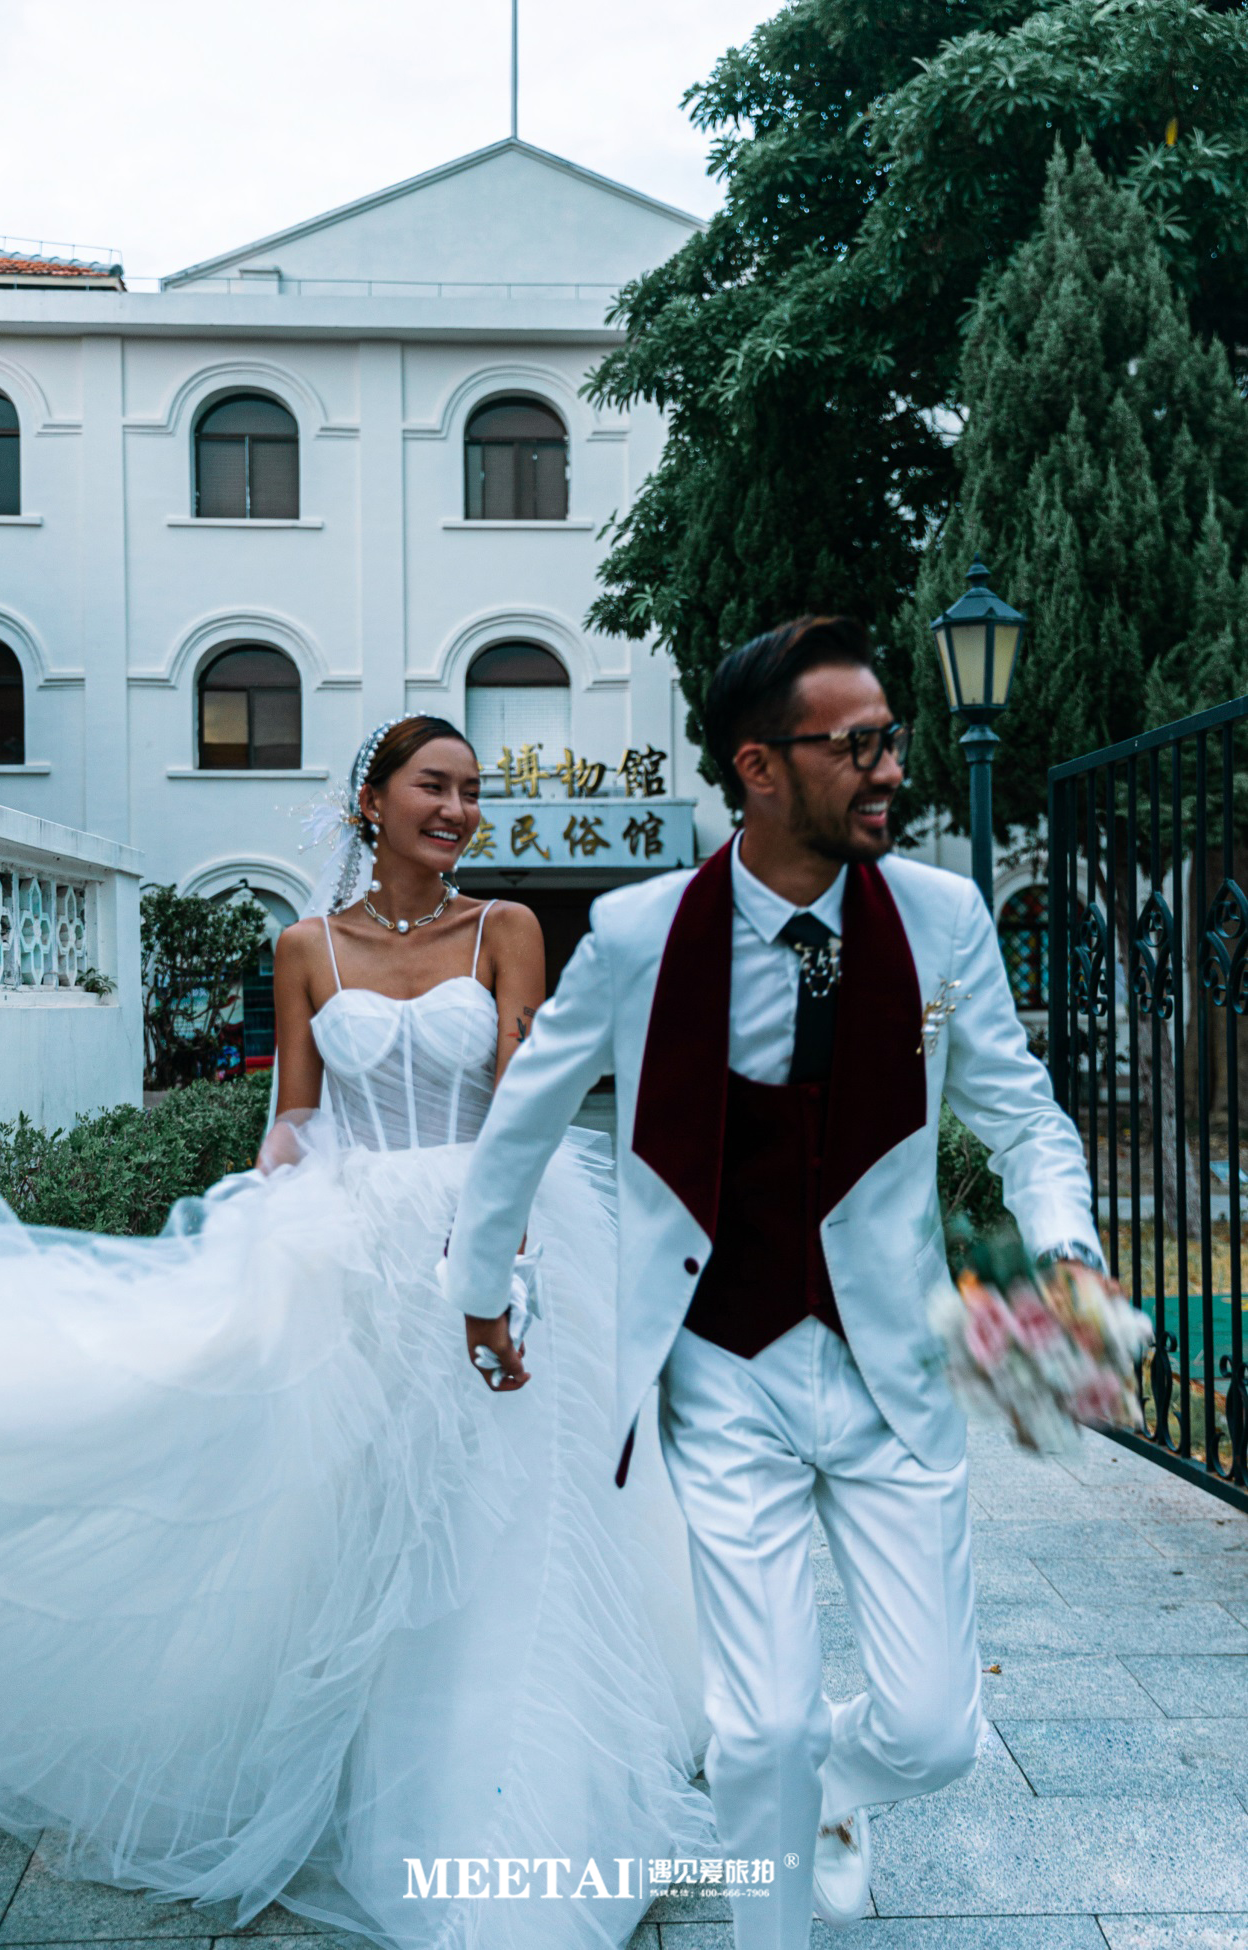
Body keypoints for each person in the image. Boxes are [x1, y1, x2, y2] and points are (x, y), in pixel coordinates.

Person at [0, 715, 716, 1948]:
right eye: (433, 786)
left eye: (471, 790)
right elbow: (295, 1116)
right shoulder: (304, 947)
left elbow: (523, 1094)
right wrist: (264, 1224)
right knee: (377, 1509)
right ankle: (376, 1768)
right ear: (372, 802)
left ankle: (529, 1789)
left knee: (517, 1513)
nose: (457, 809)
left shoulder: (508, 929)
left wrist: (507, 1253)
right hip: (355, 1254)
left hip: (495, 1229)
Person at [444, 619, 1106, 1948]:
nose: (888, 768)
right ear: (758, 765)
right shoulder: (637, 933)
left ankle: (831, 1797)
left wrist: (1066, 1251)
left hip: (889, 1368)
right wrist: (479, 1281)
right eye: (855, 745)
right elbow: (526, 1111)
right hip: (720, 1366)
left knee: (932, 1729)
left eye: (890, 740)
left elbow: (1023, 1115)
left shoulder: (943, 922)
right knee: (759, 1730)